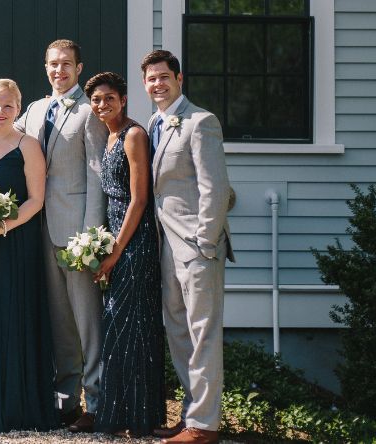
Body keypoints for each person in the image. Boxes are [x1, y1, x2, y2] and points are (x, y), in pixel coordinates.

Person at [15, 38, 108, 432]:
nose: (59, 70)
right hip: (39, 230)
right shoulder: (34, 110)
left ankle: (99, 403)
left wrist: (90, 238)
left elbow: (96, 174)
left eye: (66, 64)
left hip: (75, 232)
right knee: (59, 323)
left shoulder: (89, 113)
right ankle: (66, 402)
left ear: (79, 68)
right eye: (53, 64)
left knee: (87, 321)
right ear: (45, 67)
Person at [142, 50, 234, 444]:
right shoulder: (154, 123)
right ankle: (191, 416)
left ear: (180, 79)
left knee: (203, 332)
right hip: (167, 245)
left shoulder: (201, 122)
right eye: (151, 79)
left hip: (198, 245)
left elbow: (216, 188)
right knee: (178, 331)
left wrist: (206, 242)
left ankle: (205, 425)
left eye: (164, 77)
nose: (157, 84)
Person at [0, 79, 58, 432]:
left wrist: (5, 224)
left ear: (18, 110)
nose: (0, 112)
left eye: (8, 106)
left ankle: (17, 405)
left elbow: (36, 199)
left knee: (12, 314)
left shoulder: (27, 146)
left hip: (16, 245)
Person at [84, 72, 164, 437]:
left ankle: (132, 418)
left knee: (127, 328)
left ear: (124, 99)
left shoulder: (133, 135)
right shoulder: (108, 135)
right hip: (116, 235)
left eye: (109, 98)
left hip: (135, 240)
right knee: (123, 328)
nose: (102, 105)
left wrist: (115, 251)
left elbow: (139, 199)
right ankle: (127, 416)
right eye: (96, 100)